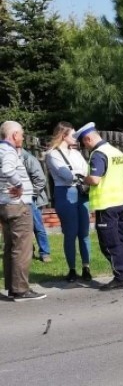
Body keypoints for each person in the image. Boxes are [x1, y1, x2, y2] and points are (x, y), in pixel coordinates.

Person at [75, 122, 123, 290]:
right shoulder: (115, 151)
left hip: (106, 205)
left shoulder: (98, 154)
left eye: (84, 143)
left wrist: (82, 178)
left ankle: (120, 277)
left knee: (110, 243)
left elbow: (95, 179)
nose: (85, 147)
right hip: (121, 201)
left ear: (88, 138)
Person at [0, 121, 46, 301]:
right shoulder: (9, 151)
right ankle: (20, 290)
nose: (23, 137)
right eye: (21, 134)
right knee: (22, 248)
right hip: (18, 205)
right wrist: (19, 185)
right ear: (14, 135)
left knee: (10, 246)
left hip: (5, 204)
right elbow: (8, 169)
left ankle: (12, 287)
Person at [45, 121, 92, 282]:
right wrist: (79, 173)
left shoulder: (76, 153)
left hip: (81, 192)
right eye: (73, 134)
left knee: (84, 232)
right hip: (65, 192)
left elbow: (86, 170)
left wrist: (78, 173)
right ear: (63, 135)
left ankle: (86, 267)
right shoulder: (53, 153)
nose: (76, 137)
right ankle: (72, 269)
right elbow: (66, 175)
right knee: (70, 233)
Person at [21, 149, 51, 263]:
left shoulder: (28, 158)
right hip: (16, 199)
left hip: (31, 199)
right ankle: (28, 251)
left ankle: (45, 253)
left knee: (37, 227)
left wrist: (29, 195)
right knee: (22, 228)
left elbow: (40, 180)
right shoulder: (9, 158)